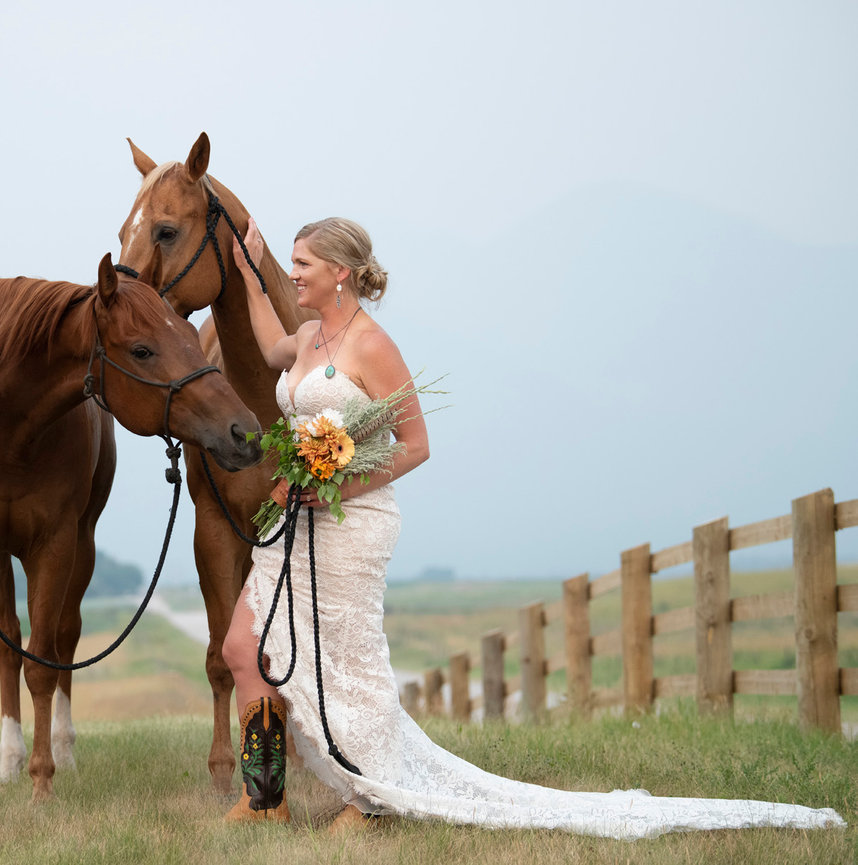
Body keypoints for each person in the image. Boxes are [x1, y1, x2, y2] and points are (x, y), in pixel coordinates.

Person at [221, 216, 845, 839]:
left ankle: (374, 795)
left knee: (347, 665)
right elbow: (267, 339)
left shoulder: (372, 345)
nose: (293, 273)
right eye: (292, 262)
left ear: (340, 273)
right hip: (294, 524)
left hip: (350, 525)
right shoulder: (306, 340)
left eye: (302, 263)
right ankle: (266, 797)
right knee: (243, 649)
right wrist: (250, 267)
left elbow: (415, 445)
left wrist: (339, 483)